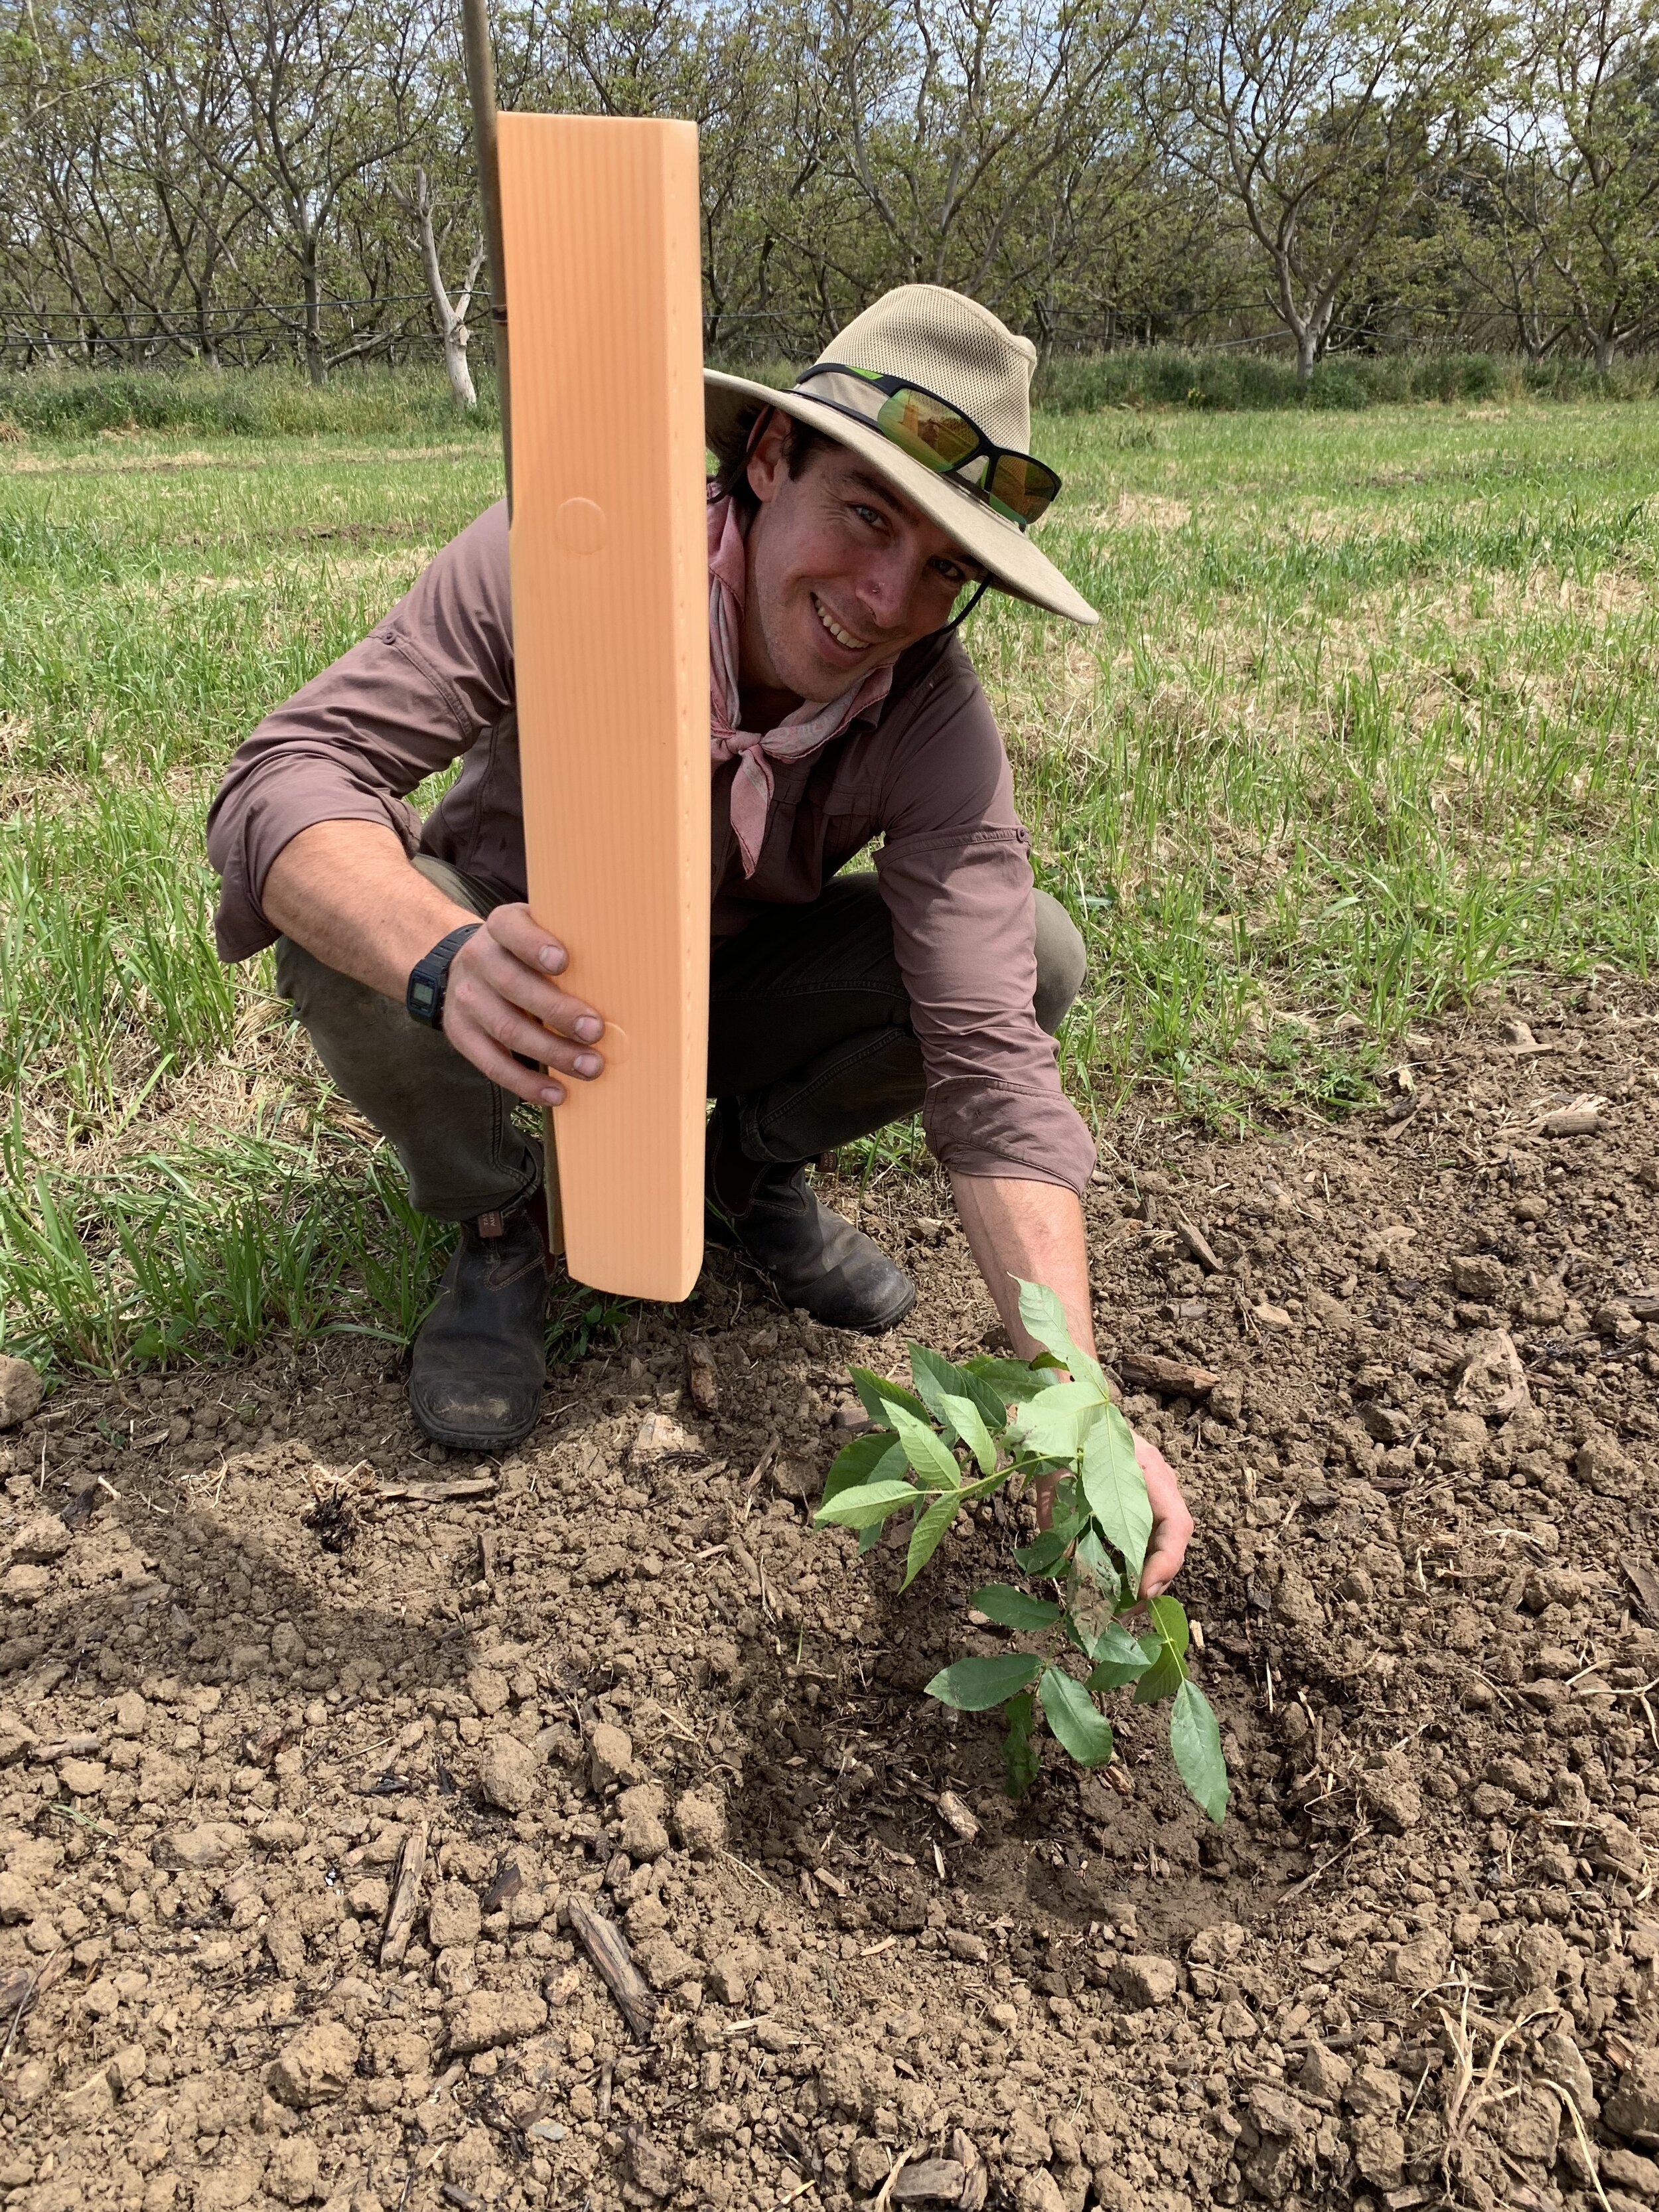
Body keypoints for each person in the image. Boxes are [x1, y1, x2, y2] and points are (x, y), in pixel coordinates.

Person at [206, 283, 1193, 1595]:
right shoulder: (566, 559)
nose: (887, 597)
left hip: (728, 983)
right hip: (525, 972)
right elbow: (288, 773)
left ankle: (743, 1168)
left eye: (943, 567)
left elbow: (989, 1062)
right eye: (865, 515)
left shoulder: (925, 715)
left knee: (1038, 949)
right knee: (346, 931)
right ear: (769, 459)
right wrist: (435, 953)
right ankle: (502, 1223)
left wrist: (1076, 1392)